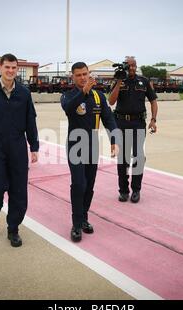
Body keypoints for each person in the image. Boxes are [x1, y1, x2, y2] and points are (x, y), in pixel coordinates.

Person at [0, 54, 39, 248]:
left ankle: (13, 229)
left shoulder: (24, 93)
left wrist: (34, 147)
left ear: (17, 69)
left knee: (19, 191)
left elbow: (31, 121)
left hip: (18, 147)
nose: (10, 71)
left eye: (14, 68)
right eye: (7, 67)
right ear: (0, 68)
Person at [61, 62, 119, 242]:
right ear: (73, 77)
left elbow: (109, 119)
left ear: (89, 73)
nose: (82, 77)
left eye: (85, 74)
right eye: (78, 75)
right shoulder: (68, 96)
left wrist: (114, 140)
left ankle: (84, 217)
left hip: (92, 145)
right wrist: (83, 92)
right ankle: (76, 224)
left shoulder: (98, 96)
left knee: (89, 185)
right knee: (78, 184)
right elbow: (69, 110)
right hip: (75, 145)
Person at [108, 56, 158, 204]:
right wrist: (118, 82)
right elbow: (111, 101)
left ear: (136, 66)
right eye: (129, 66)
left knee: (138, 157)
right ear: (124, 66)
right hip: (121, 123)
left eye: (134, 66)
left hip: (138, 123)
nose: (131, 68)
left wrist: (153, 120)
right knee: (122, 159)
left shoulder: (143, 81)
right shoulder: (118, 80)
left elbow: (153, 101)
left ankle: (136, 190)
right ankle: (123, 191)